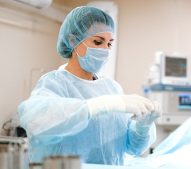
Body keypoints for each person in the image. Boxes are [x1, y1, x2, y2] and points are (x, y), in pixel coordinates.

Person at [18, 6, 161, 165]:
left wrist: (142, 126)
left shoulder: (112, 88)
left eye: (109, 43)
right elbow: (35, 119)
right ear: (73, 41)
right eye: (98, 41)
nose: (105, 50)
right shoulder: (54, 83)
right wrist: (96, 106)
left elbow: (132, 148)